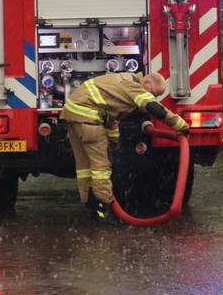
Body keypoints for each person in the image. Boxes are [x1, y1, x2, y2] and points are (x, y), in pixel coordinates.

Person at [61, 71, 188, 224]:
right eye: (154, 93)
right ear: (147, 83)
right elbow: (154, 108)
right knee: (101, 168)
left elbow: (112, 117)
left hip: (73, 113)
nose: (154, 97)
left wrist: (114, 141)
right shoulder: (134, 86)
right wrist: (180, 125)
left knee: (85, 167)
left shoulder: (123, 81)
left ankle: (91, 206)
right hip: (88, 116)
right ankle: (107, 210)